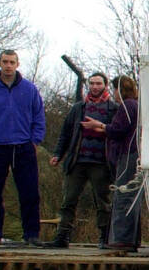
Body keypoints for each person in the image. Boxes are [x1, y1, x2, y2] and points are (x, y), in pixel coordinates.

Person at [0, 49, 46, 246]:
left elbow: (39, 116)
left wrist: (35, 140)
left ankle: (31, 234)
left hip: (23, 147)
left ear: (17, 64)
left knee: (29, 192)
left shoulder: (29, 89)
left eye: (12, 62)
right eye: (5, 61)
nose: (8, 65)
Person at [45, 72, 118, 248]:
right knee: (68, 200)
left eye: (98, 84)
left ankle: (105, 238)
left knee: (103, 202)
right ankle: (62, 237)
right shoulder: (78, 108)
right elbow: (66, 133)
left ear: (105, 86)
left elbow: (117, 133)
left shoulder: (113, 109)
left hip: (101, 162)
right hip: (77, 160)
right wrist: (57, 154)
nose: (94, 87)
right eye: (92, 83)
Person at [89, 75, 141, 252]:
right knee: (133, 197)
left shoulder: (127, 105)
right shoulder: (138, 105)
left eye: (115, 89)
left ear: (120, 89)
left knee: (123, 194)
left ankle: (121, 239)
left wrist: (101, 126)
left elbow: (119, 129)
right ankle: (132, 239)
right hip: (137, 153)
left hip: (128, 154)